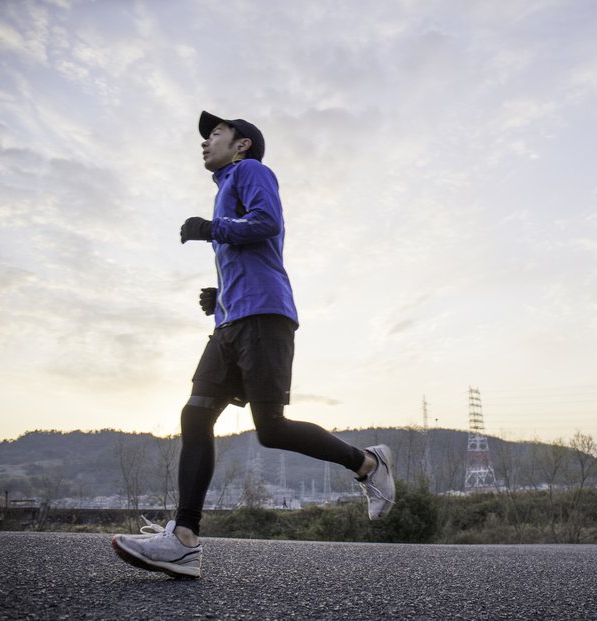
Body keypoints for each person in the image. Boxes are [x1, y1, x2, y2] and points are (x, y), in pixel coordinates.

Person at [111, 111, 395, 579]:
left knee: (272, 429)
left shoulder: (252, 171)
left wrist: (211, 228)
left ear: (241, 144)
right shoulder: (225, 186)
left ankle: (368, 462)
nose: (205, 141)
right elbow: (248, 254)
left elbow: (266, 223)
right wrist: (218, 294)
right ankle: (184, 539)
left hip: (265, 317)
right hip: (231, 322)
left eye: (215, 134)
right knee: (195, 413)